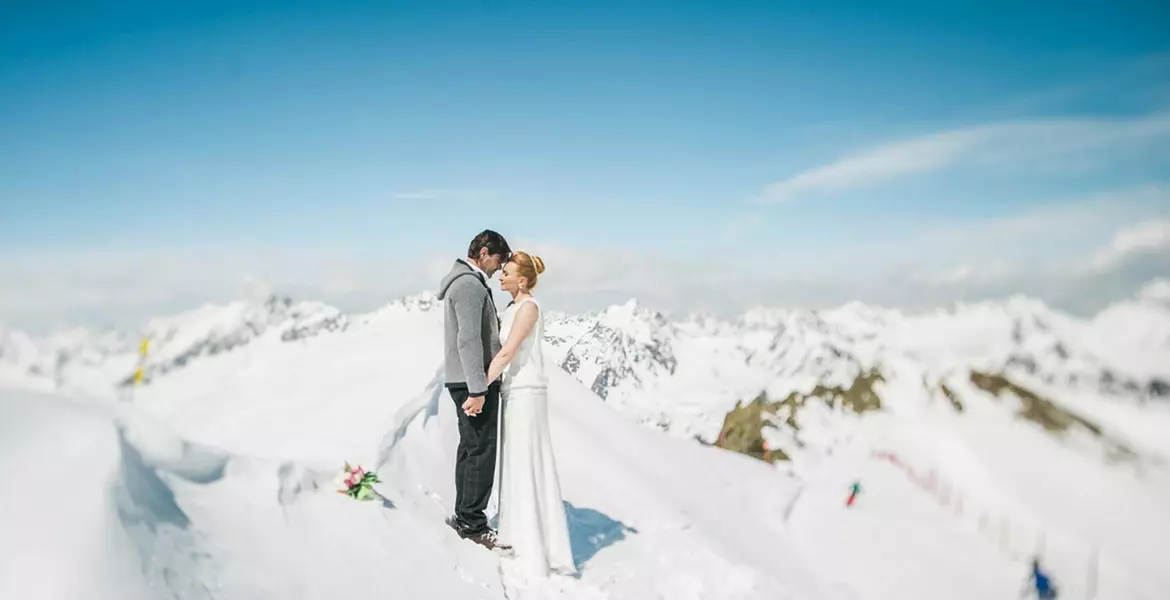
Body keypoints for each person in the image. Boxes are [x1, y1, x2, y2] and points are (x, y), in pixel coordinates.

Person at [483, 251, 576, 577]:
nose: (501, 276)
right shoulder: (513, 307)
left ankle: (534, 545)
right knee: (516, 462)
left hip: (526, 392)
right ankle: (519, 536)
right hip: (514, 392)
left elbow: (509, 351)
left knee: (527, 461)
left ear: (522, 279)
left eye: (506, 272)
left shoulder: (529, 308)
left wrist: (479, 387)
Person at [437, 229, 511, 550]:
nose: (498, 268)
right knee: (481, 451)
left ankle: (464, 515)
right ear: (483, 252)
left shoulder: (467, 282)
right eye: (498, 259)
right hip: (473, 381)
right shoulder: (469, 285)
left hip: (465, 379)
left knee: (470, 448)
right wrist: (478, 390)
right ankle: (473, 523)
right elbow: (468, 339)